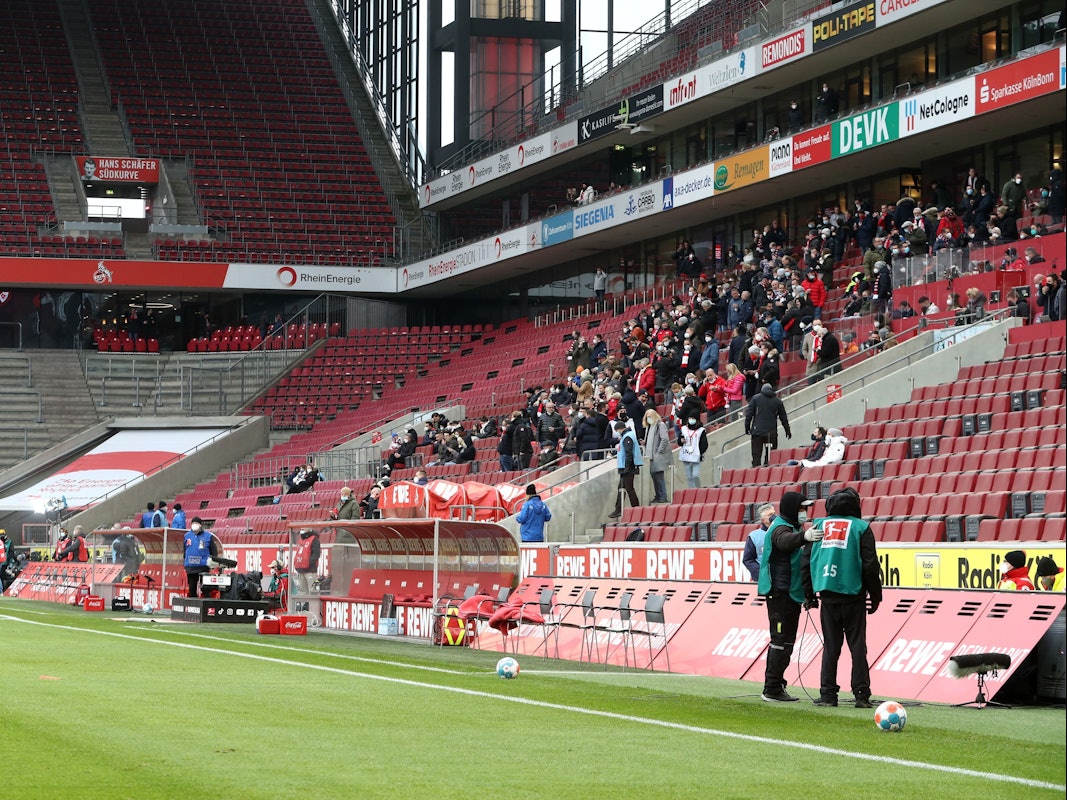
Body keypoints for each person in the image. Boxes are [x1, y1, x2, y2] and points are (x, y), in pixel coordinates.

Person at [801, 487, 882, 708]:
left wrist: (809, 594)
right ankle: (861, 695)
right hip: (853, 596)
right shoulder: (861, 528)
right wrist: (876, 596)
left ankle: (828, 694)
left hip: (827, 595)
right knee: (858, 648)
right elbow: (870, 566)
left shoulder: (818, 526)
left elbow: (805, 562)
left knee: (830, 647)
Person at [758, 491, 821, 702]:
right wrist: (804, 537)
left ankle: (777, 685)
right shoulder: (780, 528)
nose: (805, 512)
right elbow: (784, 542)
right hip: (779, 594)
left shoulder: (794, 527)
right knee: (780, 641)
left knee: (787, 642)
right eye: (802, 508)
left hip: (791, 594)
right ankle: (771, 689)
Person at [745, 383, 792, 468]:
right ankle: (768, 472)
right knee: (771, 456)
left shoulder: (756, 399)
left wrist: (747, 427)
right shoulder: (778, 401)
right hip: (771, 432)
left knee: (756, 455)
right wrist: (787, 431)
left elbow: (749, 415)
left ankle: (756, 473)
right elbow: (783, 418)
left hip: (757, 431)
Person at [608, 421, 642, 519]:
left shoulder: (627, 437)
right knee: (621, 488)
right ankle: (618, 509)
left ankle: (636, 509)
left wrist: (627, 467)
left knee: (629, 488)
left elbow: (628, 453)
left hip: (628, 467)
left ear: (620, 429)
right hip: (625, 466)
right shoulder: (626, 436)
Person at [183, 517, 219, 598]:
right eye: (193, 523)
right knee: (192, 589)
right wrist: (185, 563)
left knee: (205, 589)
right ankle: (193, 607)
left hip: (203, 566)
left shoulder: (208, 536)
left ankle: (207, 607)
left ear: (200, 525)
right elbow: (185, 551)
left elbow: (213, 551)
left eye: (196, 523)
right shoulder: (187, 536)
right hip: (190, 567)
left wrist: (213, 564)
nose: (194, 525)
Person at [643, 409, 672, 504]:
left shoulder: (660, 425)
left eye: (650, 416)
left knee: (659, 477)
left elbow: (664, 439)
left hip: (657, 456)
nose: (649, 419)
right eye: (647, 417)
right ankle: (658, 495)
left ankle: (663, 496)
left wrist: (659, 451)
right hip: (649, 456)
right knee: (654, 478)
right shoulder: (648, 427)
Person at [742, 503, 775, 582]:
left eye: (774, 513)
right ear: (763, 520)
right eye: (770, 515)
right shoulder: (754, 536)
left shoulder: (782, 532)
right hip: (763, 579)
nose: (774, 517)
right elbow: (748, 559)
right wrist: (761, 573)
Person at [677, 415, 708, 489]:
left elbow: (704, 444)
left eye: (693, 418)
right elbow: (679, 440)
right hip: (686, 454)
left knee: (695, 475)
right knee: (689, 476)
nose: (691, 420)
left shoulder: (701, 430)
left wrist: (699, 452)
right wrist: (681, 441)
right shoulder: (684, 428)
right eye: (690, 418)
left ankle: (698, 489)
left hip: (696, 456)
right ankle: (691, 491)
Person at [292, 529, 321, 594]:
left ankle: (313, 604)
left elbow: (316, 554)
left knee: (313, 591)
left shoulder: (314, 539)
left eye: (304, 528)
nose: (302, 529)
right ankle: (303, 604)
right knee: (302, 592)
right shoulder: (300, 540)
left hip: (310, 571)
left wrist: (308, 563)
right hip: (300, 570)